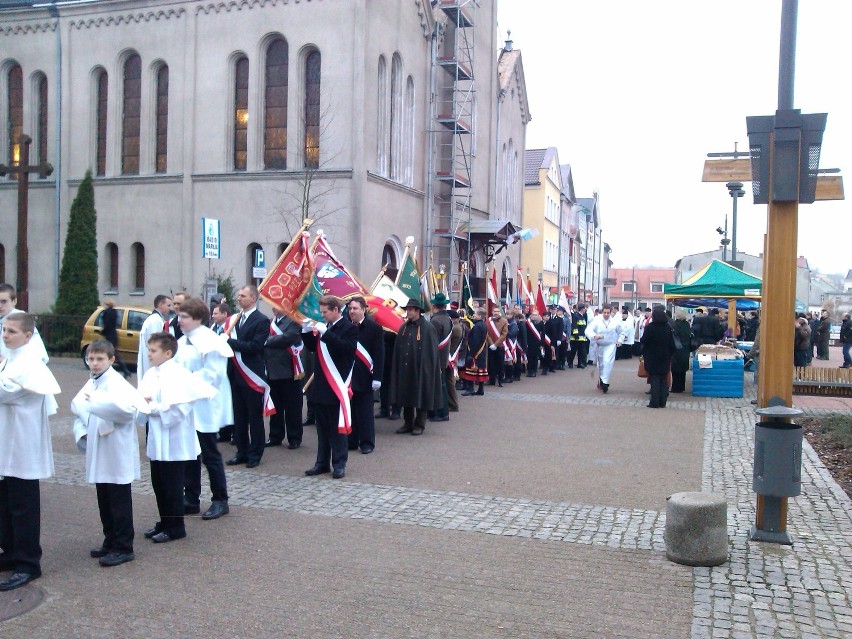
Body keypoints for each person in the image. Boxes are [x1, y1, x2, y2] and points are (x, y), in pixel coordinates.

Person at [71, 339, 147, 567]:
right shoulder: (94, 380)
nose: (94, 364)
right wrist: (84, 427)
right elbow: (77, 404)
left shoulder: (117, 383)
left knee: (118, 497)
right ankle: (110, 539)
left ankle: (124, 546)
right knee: (104, 495)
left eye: (99, 359)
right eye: (90, 359)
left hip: (116, 448)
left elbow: (126, 412)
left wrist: (95, 404)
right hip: (101, 447)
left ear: (111, 360)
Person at [0, 312, 61, 590]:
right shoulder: (11, 360)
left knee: (23, 505)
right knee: (6, 503)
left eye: (11, 331)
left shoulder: (31, 364)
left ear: (27, 336)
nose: (5, 335)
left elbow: (8, 392)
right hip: (6, 441)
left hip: (22, 445)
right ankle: (11, 552)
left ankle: (28, 563)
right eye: (3, 330)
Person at [138, 332, 215, 544]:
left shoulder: (178, 375)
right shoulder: (151, 374)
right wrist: (143, 405)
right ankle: (164, 521)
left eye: (153, 351)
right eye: (149, 350)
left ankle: (176, 527)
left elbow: (178, 410)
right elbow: (141, 400)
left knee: (172, 485)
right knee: (159, 483)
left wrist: (151, 407)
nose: (149, 354)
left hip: (174, 439)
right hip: (157, 436)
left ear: (168, 352)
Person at [175, 297, 233, 521]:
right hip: (187, 406)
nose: (179, 320)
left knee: (210, 454)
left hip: (205, 405)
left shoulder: (211, 341)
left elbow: (213, 375)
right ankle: (191, 498)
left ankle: (220, 499)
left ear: (198, 318)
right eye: (179, 316)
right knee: (190, 454)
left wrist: (185, 380)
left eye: (184, 317)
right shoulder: (183, 341)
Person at [301, 295, 358, 478]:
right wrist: (305, 331)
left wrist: (326, 333)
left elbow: (345, 349)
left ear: (335, 310)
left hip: (336, 384)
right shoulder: (325, 327)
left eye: (325, 312)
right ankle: (322, 462)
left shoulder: (348, 328)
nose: (322, 315)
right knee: (322, 428)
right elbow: (312, 348)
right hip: (320, 385)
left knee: (336, 428)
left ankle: (339, 463)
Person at [225, 285, 271, 468]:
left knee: (254, 417)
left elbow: (255, 346)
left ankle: (255, 454)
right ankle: (241, 451)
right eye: (238, 295)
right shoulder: (235, 319)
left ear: (253, 298)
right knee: (240, 416)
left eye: (243, 296)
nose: (239, 298)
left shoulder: (261, 320)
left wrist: (230, 342)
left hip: (252, 375)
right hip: (236, 374)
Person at [389, 298, 442, 434]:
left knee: (421, 395)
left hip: (421, 369)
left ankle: (419, 424)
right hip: (406, 369)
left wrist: (426, 368)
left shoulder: (428, 328)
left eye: (410, 310)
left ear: (417, 311)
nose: (407, 312)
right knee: (406, 396)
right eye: (407, 309)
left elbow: (431, 352)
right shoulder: (404, 327)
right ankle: (407, 423)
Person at [346, 296, 383, 454]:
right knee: (351, 410)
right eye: (350, 309)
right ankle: (352, 440)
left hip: (366, 376)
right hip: (349, 376)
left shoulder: (374, 328)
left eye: (355, 308)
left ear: (363, 309)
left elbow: (379, 354)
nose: (352, 311)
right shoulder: (346, 327)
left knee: (365, 413)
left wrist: (378, 378)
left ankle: (367, 442)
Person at [264, 306, 304, 450]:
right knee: (276, 407)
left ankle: (294, 437)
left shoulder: (293, 321)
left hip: (289, 371)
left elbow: (288, 338)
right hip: (272, 370)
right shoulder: (270, 322)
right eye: (272, 305)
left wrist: (268, 341)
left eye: (277, 305)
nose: (274, 308)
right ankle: (275, 435)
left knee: (292, 407)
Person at [0, 284, 49, 363]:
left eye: (4, 301)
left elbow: (40, 355)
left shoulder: (22, 320)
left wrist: (6, 363)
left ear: (14, 301)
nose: (0, 305)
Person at [641, 307, 677, 408]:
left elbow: (644, 340)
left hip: (652, 356)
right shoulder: (668, 327)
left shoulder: (650, 327)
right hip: (665, 356)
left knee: (655, 379)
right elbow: (672, 343)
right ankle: (662, 401)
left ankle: (654, 402)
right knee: (664, 379)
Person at [584, 305, 624, 393]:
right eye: (604, 312)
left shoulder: (615, 322)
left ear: (610, 313)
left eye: (608, 313)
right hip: (600, 345)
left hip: (610, 345)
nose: (606, 314)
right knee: (601, 365)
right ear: (602, 312)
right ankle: (602, 380)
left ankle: (605, 383)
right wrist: (594, 336)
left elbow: (621, 332)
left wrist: (620, 340)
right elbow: (588, 330)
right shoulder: (597, 320)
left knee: (607, 362)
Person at [137, 294, 173, 382]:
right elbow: (156, 344)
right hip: (151, 364)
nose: (170, 308)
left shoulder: (155, 319)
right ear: (160, 305)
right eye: (168, 305)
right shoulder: (155, 321)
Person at [429, 293, 453, 419]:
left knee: (439, 386)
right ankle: (442, 411)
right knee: (442, 384)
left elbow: (433, 341)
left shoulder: (436, 320)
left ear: (434, 306)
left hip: (437, 357)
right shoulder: (447, 318)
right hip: (443, 356)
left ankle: (441, 412)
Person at [101, 299, 131, 378]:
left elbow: (106, 324)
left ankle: (125, 370)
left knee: (113, 353)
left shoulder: (107, 312)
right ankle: (123, 370)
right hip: (114, 335)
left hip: (109, 335)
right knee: (112, 353)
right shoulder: (115, 312)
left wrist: (102, 332)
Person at [461, 307, 488, 394]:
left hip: (475, 352)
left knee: (472, 370)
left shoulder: (477, 326)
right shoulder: (483, 324)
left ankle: (470, 389)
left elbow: (475, 341)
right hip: (481, 351)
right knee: (480, 370)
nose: (473, 315)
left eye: (475, 314)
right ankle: (481, 389)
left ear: (480, 316)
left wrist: (471, 354)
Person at [485, 305, 508, 386]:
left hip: (500, 345)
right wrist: (491, 344)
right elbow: (487, 333)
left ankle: (500, 381)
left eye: (498, 311)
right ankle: (492, 380)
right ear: (492, 312)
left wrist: (496, 344)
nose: (496, 313)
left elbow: (504, 334)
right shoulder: (488, 321)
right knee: (491, 364)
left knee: (500, 364)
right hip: (490, 345)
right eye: (495, 311)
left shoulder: (504, 321)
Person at [671, 310, 692, 393]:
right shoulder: (687, 324)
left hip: (677, 349)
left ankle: (675, 387)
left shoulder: (675, 324)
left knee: (675, 370)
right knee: (683, 370)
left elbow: (673, 336)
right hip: (685, 348)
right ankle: (682, 386)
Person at [568, 303, 589, 368]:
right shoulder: (576, 316)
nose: (585, 309)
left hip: (582, 337)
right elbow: (574, 326)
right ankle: (570, 363)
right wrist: (576, 334)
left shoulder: (583, 316)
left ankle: (580, 363)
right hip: (575, 338)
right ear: (582, 309)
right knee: (573, 351)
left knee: (581, 352)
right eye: (584, 308)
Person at [525, 310, 544, 377]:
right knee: (529, 357)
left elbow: (543, 334)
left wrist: (542, 344)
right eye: (533, 314)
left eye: (536, 315)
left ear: (538, 315)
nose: (534, 316)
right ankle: (529, 371)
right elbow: (525, 333)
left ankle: (534, 371)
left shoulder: (541, 323)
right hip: (529, 342)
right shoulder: (528, 322)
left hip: (537, 343)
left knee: (535, 358)